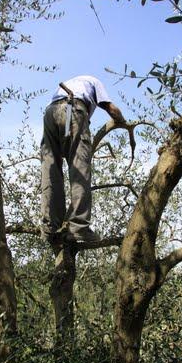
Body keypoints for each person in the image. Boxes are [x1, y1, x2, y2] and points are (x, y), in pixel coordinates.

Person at [41, 75, 126, 243]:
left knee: (50, 170)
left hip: (50, 113)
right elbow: (111, 108)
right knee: (80, 168)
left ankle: (50, 227)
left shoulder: (72, 82)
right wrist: (121, 121)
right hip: (72, 107)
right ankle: (78, 227)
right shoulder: (94, 81)